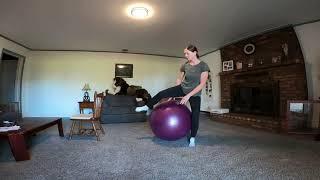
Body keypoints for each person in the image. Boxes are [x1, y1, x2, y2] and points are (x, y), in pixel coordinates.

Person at [135, 44, 210, 147]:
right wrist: (175, 92)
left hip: (195, 93)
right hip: (182, 88)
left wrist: (188, 96)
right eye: (184, 53)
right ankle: (147, 106)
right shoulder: (185, 65)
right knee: (162, 94)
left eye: (187, 53)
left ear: (195, 53)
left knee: (195, 115)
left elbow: (201, 84)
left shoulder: (203, 66)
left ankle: (192, 138)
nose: (185, 55)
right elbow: (180, 79)